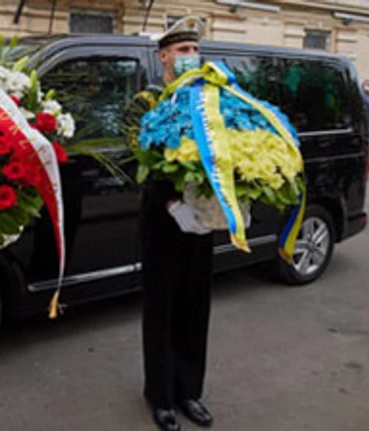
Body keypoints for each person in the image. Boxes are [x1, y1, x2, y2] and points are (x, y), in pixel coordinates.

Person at [124, 17, 215, 431]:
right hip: (164, 220)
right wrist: (172, 201)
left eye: (195, 50)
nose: (191, 57)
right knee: (161, 309)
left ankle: (189, 391)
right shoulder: (146, 102)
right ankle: (160, 396)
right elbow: (133, 160)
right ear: (164, 56)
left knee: (196, 307)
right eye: (183, 51)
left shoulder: (211, 101)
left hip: (202, 220)